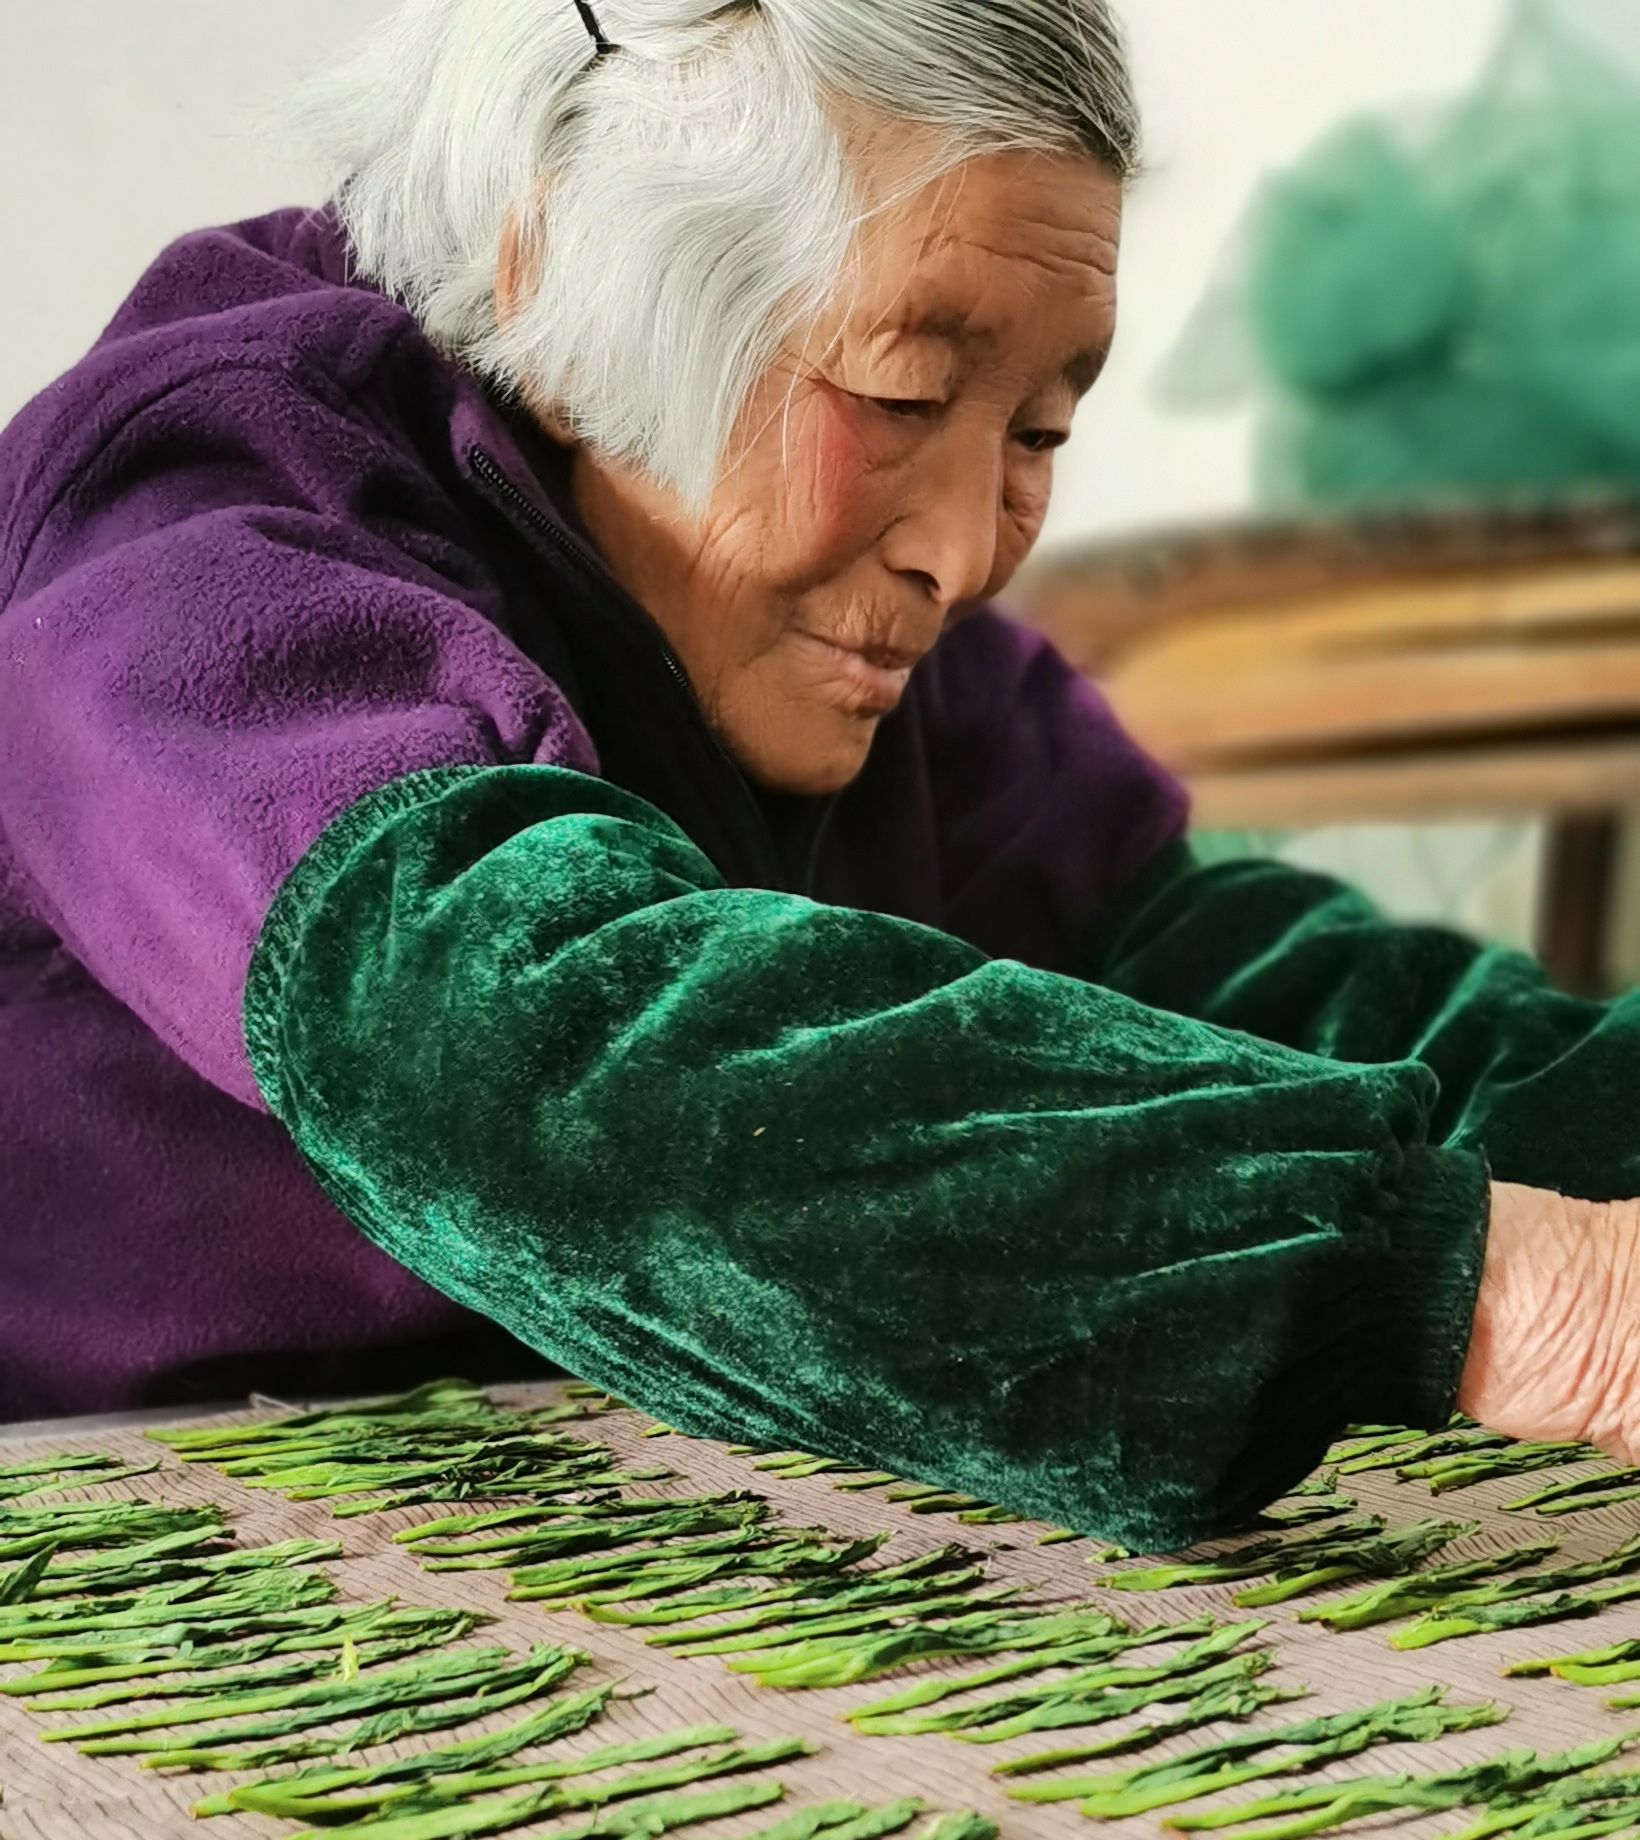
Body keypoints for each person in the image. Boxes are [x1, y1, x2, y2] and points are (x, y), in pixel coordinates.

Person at [2, 0, 1638, 1542]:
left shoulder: (838, 636)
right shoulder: (199, 548)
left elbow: (1225, 982)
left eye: (1040, 433)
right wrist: (1490, 1292)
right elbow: (527, 1057)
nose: (970, 550)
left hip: (585, 1521)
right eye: (903, 392)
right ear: (558, 281)